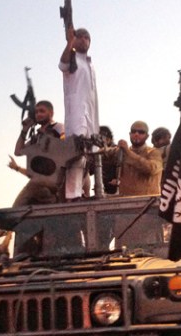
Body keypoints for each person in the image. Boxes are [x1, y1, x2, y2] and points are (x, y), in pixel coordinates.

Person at [59, 27, 99, 201]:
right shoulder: (72, 58)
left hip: (91, 114)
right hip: (77, 113)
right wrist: (69, 43)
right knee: (76, 154)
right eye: (79, 37)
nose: (83, 40)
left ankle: (83, 192)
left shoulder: (89, 63)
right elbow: (62, 64)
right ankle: (72, 194)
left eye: (86, 37)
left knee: (88, 156)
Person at [10, 100, 64, 207]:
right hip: (41, 180)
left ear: (51, 113)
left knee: (18, 206)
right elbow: (18, 151)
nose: (38, 114)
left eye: (42, 111)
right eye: (36, 112)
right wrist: (25, 130)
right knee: (39, 195)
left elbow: (65, 142)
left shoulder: (57, 127)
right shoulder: (36, 137)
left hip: (56, 177)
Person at [113, 121, 163, 196]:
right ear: (130, 134)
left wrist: (128, 152)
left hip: (148, 203)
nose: (136, 134)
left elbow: (151, 169)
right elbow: (106, 152)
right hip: (125, 202)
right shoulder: (122, 151)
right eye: (133, 131)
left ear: (147, 136)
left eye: (141, 132)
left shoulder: (154, 153)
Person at [99, 126, 118, 195]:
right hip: (103, 188)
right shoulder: (98, 152)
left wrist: (118, 179)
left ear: (109, 139)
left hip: (117, 188)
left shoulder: (117, 151)